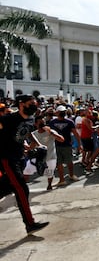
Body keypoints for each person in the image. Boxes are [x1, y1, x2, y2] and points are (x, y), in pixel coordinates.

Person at [0, 94, 49, 234]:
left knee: (5, 188)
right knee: (21, 188)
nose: (35, 105)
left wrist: (33, 145)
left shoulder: (31, 118)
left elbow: (26, 133)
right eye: (31, 103)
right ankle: (30, 223)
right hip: (7, 159)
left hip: (19, 157)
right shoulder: (8, 119)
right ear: (22, 104)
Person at [49, 105, 82, 186]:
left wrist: (79, 144)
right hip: (59, 145)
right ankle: (65, 178)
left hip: (64, 144)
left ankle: (66, 177)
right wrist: (79, 144)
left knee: (66, 162)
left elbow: (75, 134)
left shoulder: (56, 122)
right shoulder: (55, 122)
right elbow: (50, 134)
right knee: (62, 162)